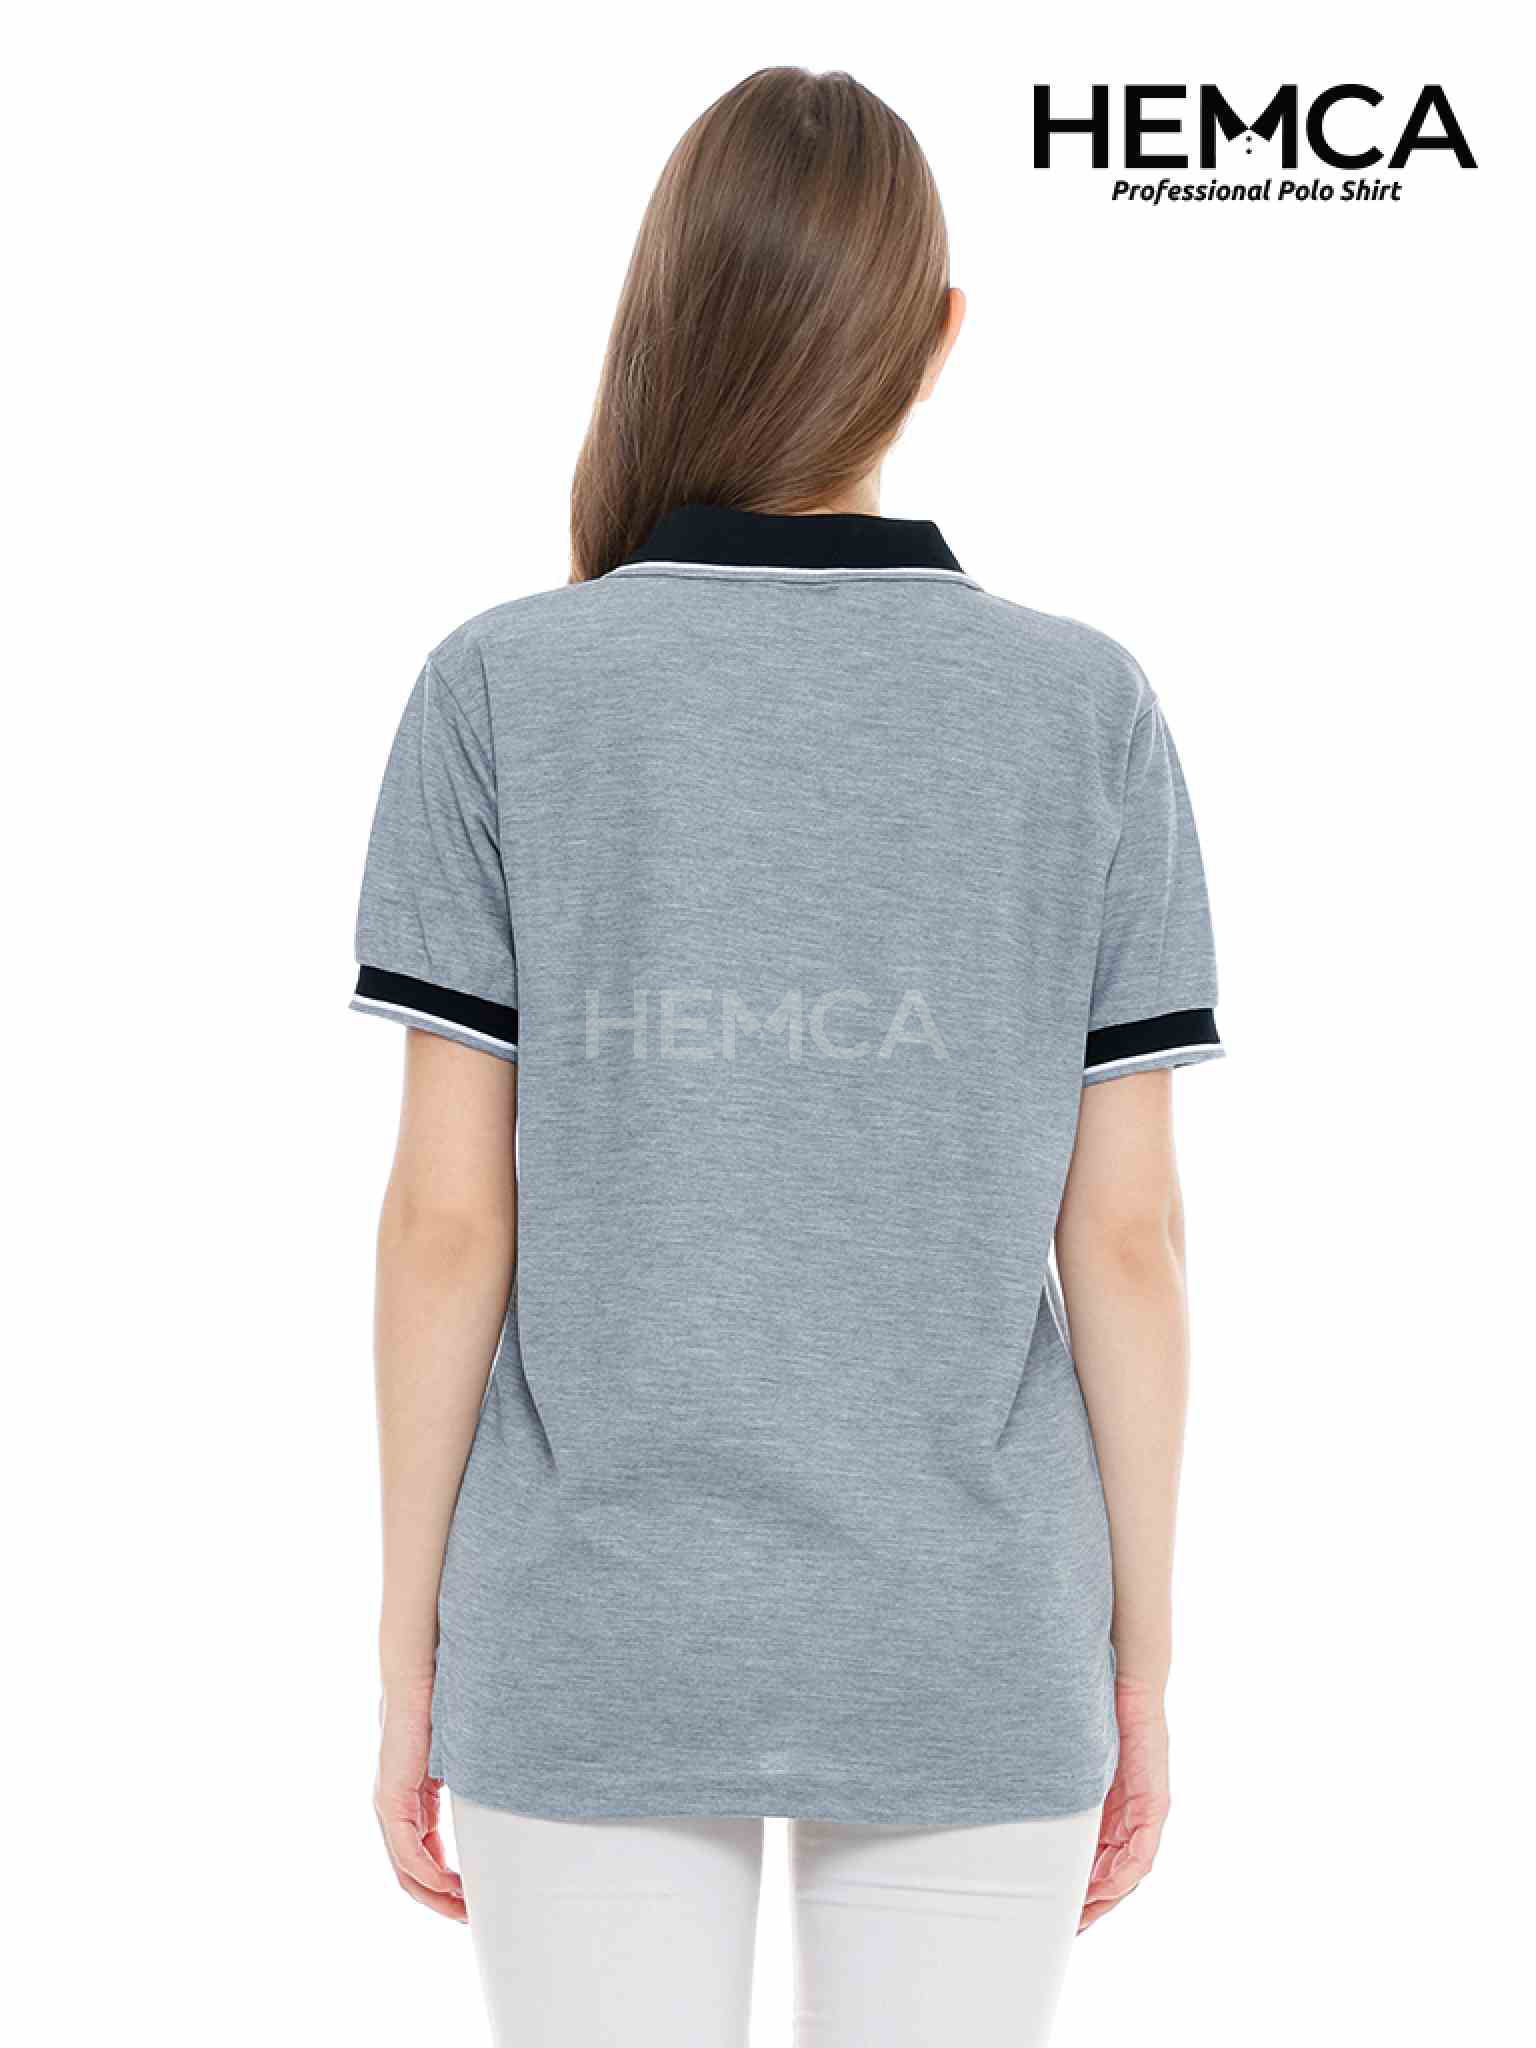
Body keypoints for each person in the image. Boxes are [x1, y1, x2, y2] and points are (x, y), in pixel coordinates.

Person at [351, 65, 1223, 2048]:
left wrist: (410, 1658)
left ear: (664, 315)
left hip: (590, 1624)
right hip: (973, 1628)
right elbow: (1130, 1241)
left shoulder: (503, 687)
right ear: (936, 334)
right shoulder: (1084, 709)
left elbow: (444, 1225)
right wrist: (1141, 1664)